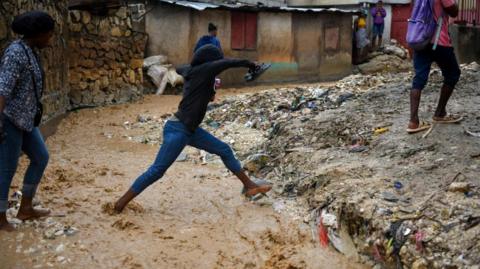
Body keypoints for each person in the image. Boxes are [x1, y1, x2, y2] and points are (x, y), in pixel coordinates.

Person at [114, 45, 272, 213]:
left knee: (224, 150)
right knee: (157, 171)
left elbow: (183, 69)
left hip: (191, 130)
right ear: (210, 62)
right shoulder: (203, 71)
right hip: (178, 130)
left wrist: (209, 85)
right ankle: (119, 205)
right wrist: (251, 64)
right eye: (215, 61)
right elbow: (227, 63)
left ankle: (249, 186)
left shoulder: (195, 72)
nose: (216, 65)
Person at [0, 11, 55, 231]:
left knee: (41, 157)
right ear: (38, 33)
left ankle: (25, 209)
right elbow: (2, 89)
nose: (50, 39)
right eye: (49, 35)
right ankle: (1, 217)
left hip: (26, 120)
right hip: (10, 119)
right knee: (6, 168)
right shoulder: (16, 53)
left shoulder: (30, 50)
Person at [407, 0, 462, 134]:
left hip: (420, 39)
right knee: (453, 74)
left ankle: (413, 122)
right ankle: (439, 113)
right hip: (439, 41)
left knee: (418, 79)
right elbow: (454, 11)